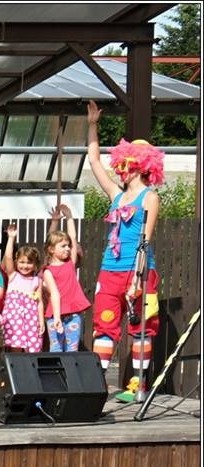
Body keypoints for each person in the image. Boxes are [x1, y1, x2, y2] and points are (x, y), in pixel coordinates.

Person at [86, 100, 164, 387]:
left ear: (140, 165)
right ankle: (98, 382)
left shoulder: (150, 197)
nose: (121, 169)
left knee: (140, 326)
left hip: (138, 271)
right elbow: (94, 162)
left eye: (127, 163)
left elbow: (146, 239)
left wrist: (137, 278)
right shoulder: (116, 195)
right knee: (104, 324)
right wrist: (92, 126)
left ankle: (138, 383)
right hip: (110, 269)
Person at [1, 223, 62, 354]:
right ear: (17, 262)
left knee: (33, 345)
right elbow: (8, 257)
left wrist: (41, 320)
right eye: (22, 262)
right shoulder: (13, 276)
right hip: (14, 318)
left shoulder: (37, 280)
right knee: (16, 345)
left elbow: (39, 302)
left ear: (35, 264)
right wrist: (11, 238)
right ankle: (16, 366)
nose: (25, 266)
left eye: (29, 262)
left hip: (31, 318)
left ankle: (30, 366)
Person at [44, 203, 91, 352]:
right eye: (63, 246)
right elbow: (54, 294)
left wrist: (70, 217)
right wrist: (57, 317)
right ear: (52, 249)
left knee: (72, 349)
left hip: (73, 314)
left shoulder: (70, 263)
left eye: (68, 246)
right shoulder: (48, 271)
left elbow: (73, 237)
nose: (67, 248)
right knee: (56, 348)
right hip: (55, 314)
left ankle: (70, 369)